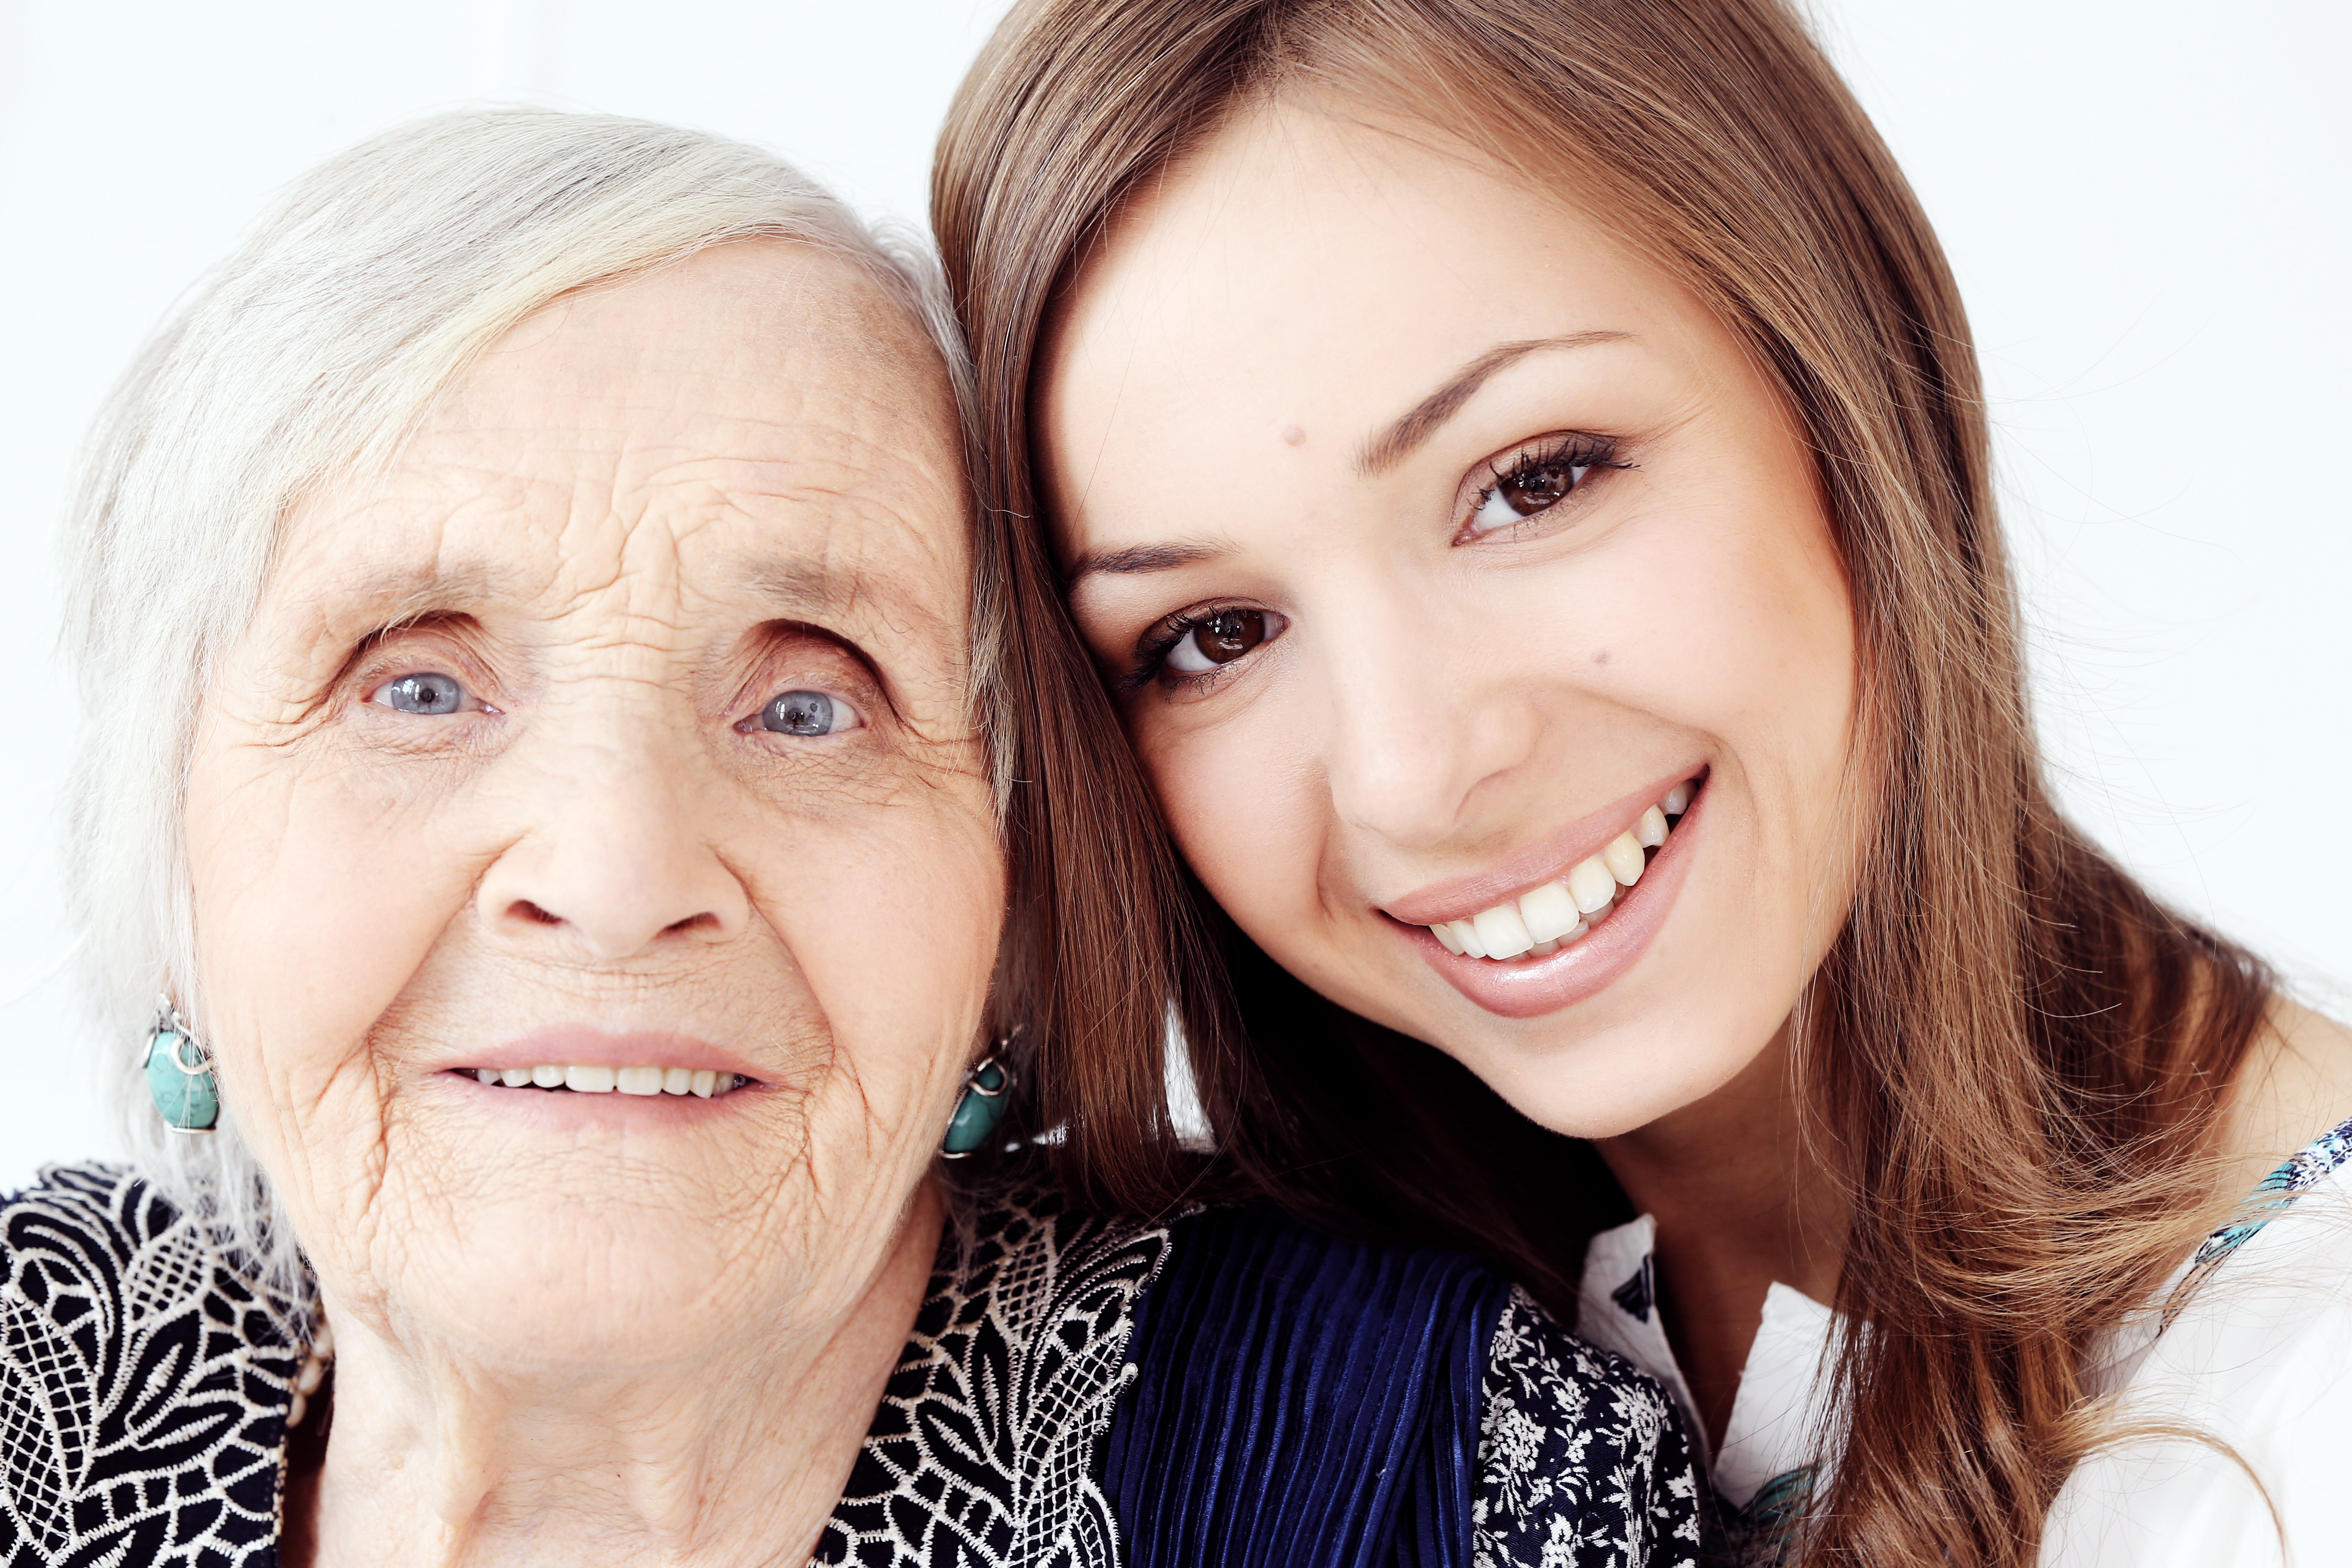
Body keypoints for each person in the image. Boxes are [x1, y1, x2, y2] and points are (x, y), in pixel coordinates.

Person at [0, 108, 1700, 1567]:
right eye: (419, 690)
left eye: (811, 706)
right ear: (170, 838)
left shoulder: (1416, 1476)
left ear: (1012, 905)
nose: (616, 873)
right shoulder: (31, 1367)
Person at [929, 0, 2352, 1562]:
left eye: (1531, 483)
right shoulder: (1254, 1398)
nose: (1414, 773)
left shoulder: (2301, 1416)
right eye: (1213, 635)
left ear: (1851, 384)